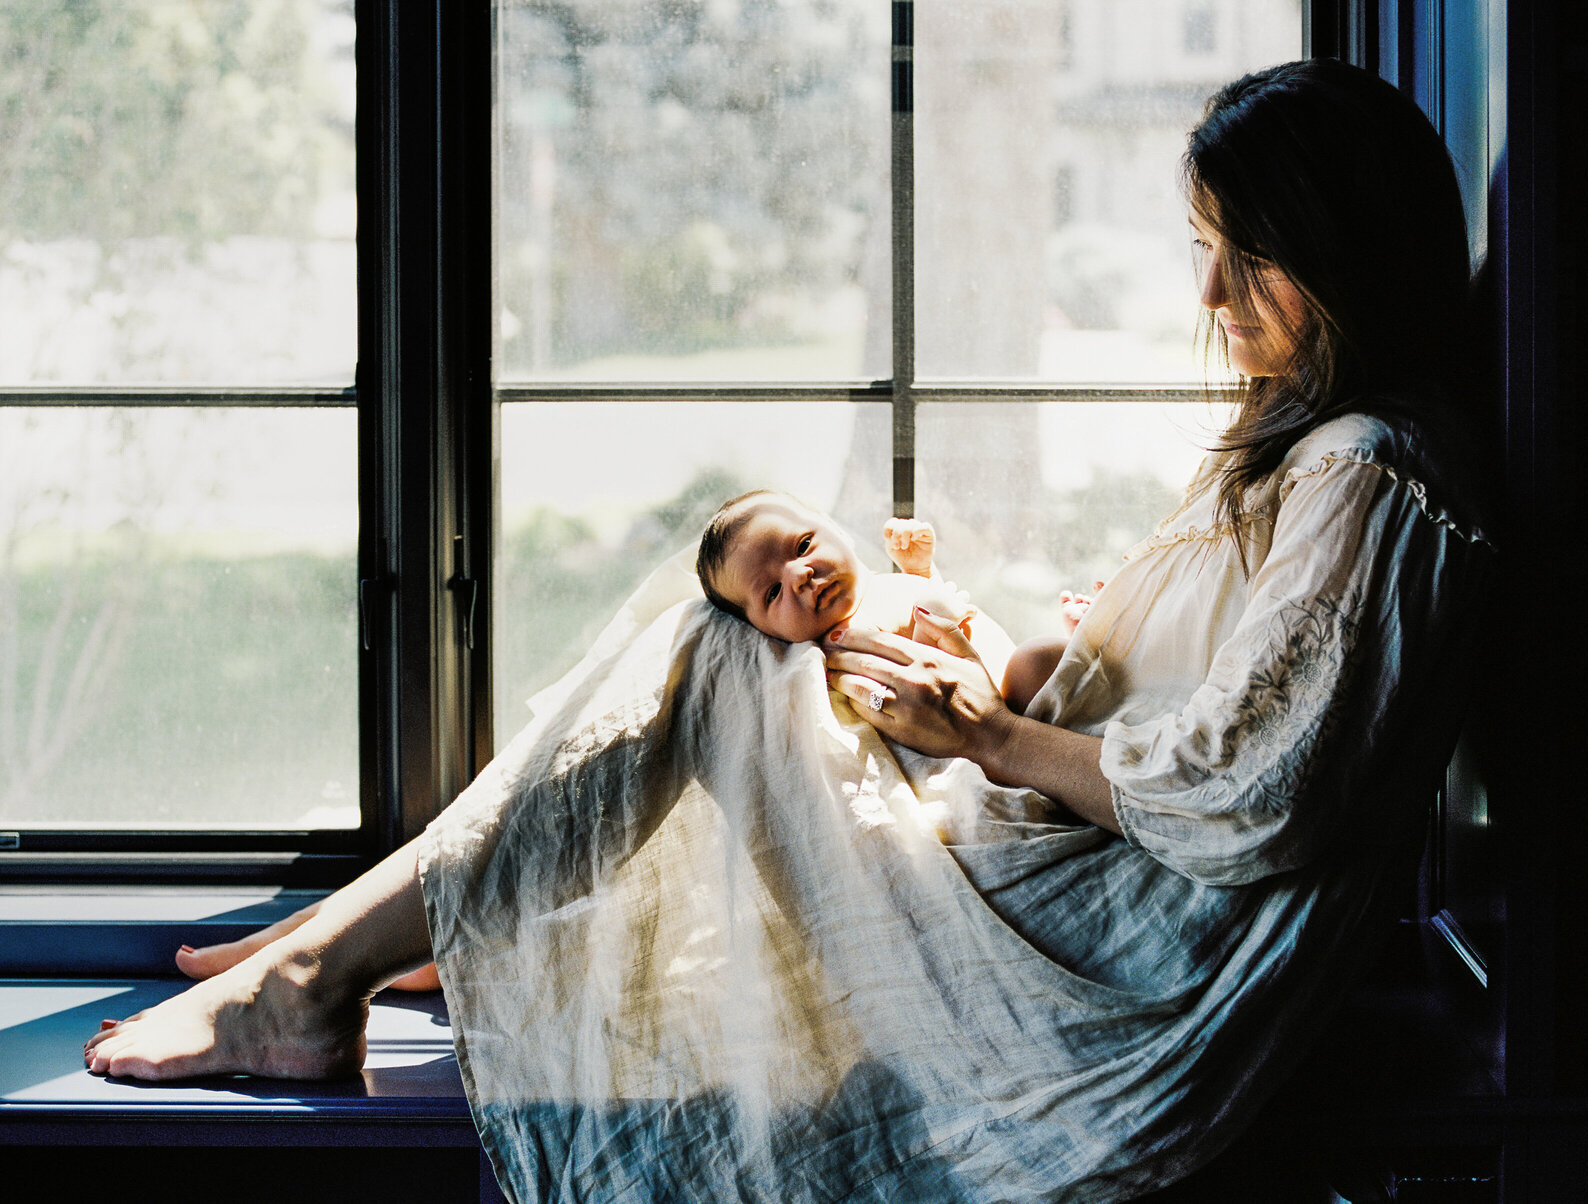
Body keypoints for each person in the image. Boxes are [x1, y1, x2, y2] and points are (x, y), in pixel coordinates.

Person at [85, 59, 1492, 1200]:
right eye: (1203, 251)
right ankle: (365, 941)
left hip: (1108, 984)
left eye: (1244, 258)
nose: (1204, 298)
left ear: (1346, 253)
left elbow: (1254, 791)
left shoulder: (1371, 468)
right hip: (1082, 910)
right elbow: (1218, 709)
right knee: (768, 624)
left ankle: (332, 964)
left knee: (721, 648)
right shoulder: (1335, 457)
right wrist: (1023, 660)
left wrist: (985, 731)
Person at [694, 489, 1085, 713]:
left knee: (1056, 656)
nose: (799, 574)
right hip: (1006, 702)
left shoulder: (882, 586)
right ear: (763, 631)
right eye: (773, 592)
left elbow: (922, 607)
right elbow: (919, 681)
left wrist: (919, 572)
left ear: (837, 531)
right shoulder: (845, 641)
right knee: (1038, 659)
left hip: (1014, 688)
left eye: (803, 545)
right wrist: (934, 620)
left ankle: (1085, 649)